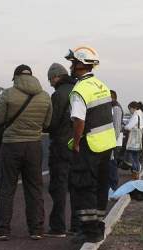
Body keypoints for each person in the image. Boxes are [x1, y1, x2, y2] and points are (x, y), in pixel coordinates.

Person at [0, 64, 52, 241]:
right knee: (34, 188)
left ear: (16, 77)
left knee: (6, 188)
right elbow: (47, 124)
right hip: (34, 145)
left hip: (11, 145)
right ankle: (36, 229)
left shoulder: (8, 93)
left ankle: (3, 230)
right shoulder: (45, 96)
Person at [66, 46, 117, 243]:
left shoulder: (79, 90)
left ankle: (89, 231)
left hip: (90, 145)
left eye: (73, 63)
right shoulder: (101, 85)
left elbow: (79, 121)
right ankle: (98, 226)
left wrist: (76, 143)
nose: (71, 66)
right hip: (106, 145)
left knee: (84, 187)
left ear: (80, 64)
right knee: (100, 186)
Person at [45, 63, 78, 237]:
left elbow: (52, 122)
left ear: (57, 76)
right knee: (75, 187)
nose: (50, 83)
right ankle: (76, 225)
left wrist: (44, 126)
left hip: (61, 145)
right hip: (77, 144)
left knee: (59, 186)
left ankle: (58, 227)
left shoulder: (58, 95)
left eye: (50, 79)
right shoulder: (79, 90)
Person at [124, 101, 143, 180]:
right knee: (136, 157)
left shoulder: (135, 115)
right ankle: (137, 172)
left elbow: (129, 127)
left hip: (134, 139)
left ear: (133, 108)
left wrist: (125, 126)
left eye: (130, 109)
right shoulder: (140, 114)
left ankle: (135, 173)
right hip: (138, 138)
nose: (129, 111)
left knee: (133, 157)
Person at [109, 90, 123, 191]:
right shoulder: (113, 107)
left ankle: (113, 187)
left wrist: (112, 142)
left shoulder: (116, 108)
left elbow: (117, 127)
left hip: (114, 142)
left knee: (112, 164)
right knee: (110, 164)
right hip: (111, 141)